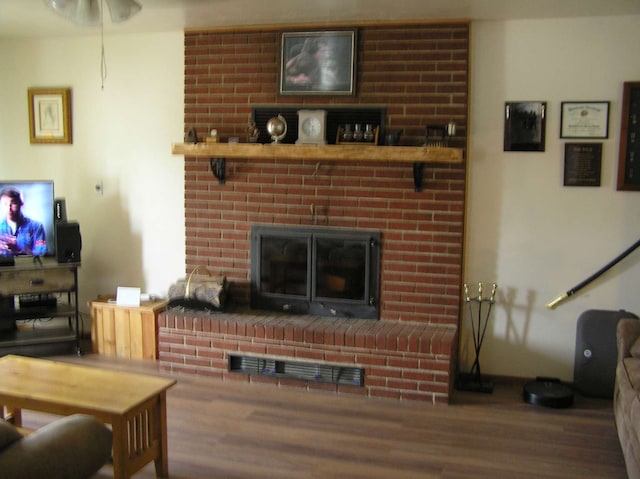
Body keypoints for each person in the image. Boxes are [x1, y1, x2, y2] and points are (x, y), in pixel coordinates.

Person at [0, 187, 47, 256]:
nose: (9, 208)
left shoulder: (36, 227)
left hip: (29, 266)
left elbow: (42, 255)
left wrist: (19, 248)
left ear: (21, 203)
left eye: (13, 203)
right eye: (5, 204)